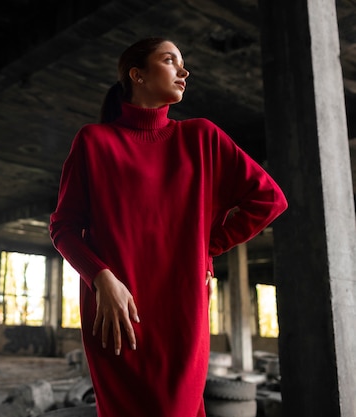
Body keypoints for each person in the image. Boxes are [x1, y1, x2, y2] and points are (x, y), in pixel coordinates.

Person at [49, 37, 287, 417]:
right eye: (170, 60)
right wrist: (101, 278)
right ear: (137, 75)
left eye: (182, 63)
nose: (184, 70)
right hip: (115, 314)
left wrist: (206, 249)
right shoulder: (94, 142)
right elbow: (62, 228)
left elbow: (269, 199)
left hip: (182, 309)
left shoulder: (201, 136)